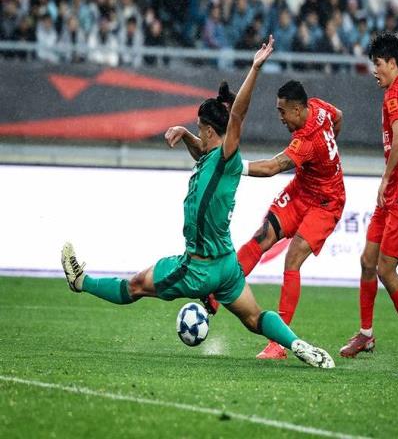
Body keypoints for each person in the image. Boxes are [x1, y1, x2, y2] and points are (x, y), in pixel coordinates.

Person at [61, 36, 334, 369]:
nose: (198, 132)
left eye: (198, 127)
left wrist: (255, 68)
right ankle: (297, 344)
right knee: (255, 318)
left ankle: (81, 281)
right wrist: (187, 135)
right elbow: (204, 151)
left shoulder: (226, 156)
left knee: (135, 286)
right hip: (226, 268)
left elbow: (238, 116)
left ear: (208, 130)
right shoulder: (215, 159)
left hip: (197, 269)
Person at [167, 80, 346, 361]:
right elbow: (338, 117)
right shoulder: (319, 107)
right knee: (262, 238)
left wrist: (232, 165)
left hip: (327, 202)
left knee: (292, 259)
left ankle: (278, 344)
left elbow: (273, 167)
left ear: (297, 110)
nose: (280, 118)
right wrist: (329, 148)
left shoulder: (306, 141)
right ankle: (216, 295)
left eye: (283, 112)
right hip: (301, 191)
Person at [339, 32, 398, 362]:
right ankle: (366, 335)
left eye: (377, 64)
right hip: (395, 194)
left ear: (392, 63)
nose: (374, 70)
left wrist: (386, 178)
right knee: (367, 261)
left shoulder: (394, 95)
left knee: (386, 270)